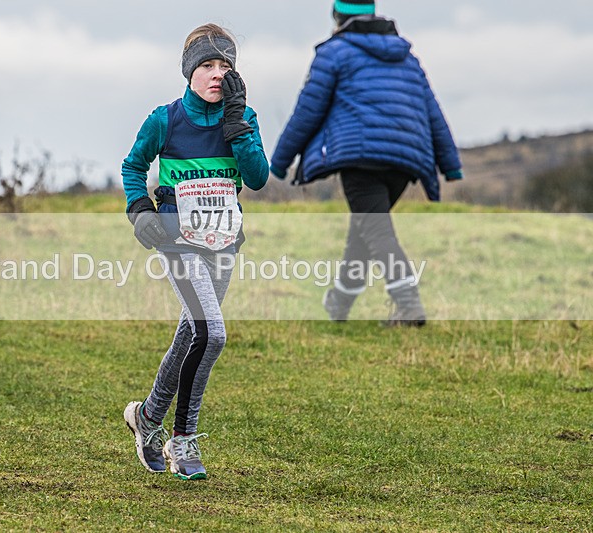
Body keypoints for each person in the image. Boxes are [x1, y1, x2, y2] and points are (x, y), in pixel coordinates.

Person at [121, 23, 268, 480]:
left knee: (191, 334)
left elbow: (259, 177)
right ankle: (182, 440)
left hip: (224, 240)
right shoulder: (165, 119)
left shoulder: (242, 119)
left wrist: (239, 126)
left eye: (225, 66)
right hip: (177, 238)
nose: (216, 75)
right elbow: (133, 166)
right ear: (189, 71)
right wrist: (140, 208)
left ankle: (147, 417)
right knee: (214, 333)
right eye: (207, 65)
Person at [270, 0, 463, 326]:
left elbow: (308, 110)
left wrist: (280, 161)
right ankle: (339, 304)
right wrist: (450, 163)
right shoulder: (407, 57)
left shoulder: (335, 52)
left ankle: (409, 305)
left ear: (338, 18)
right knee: (364, 231)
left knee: (376, 231)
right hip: (406, 159)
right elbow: (432, 110)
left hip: (361, 155)